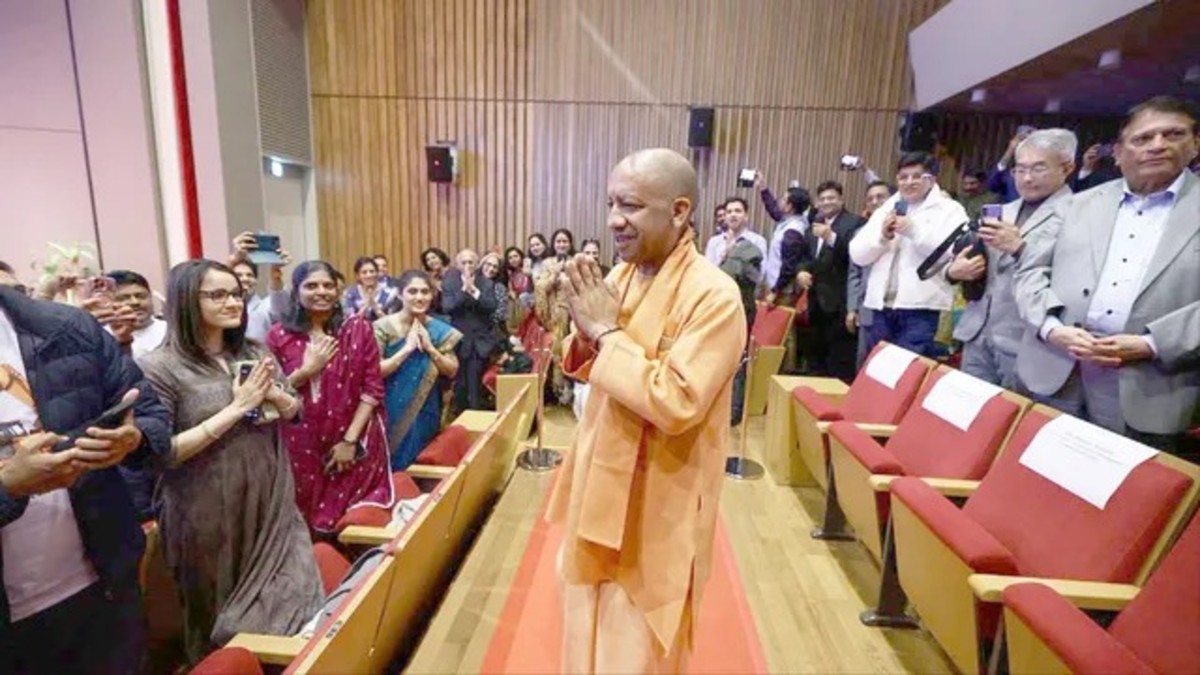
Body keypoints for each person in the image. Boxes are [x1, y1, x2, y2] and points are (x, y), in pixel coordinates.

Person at [547, 148, 745, 672]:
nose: (615, 219)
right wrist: (585, 335)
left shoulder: (715, 296)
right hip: (598, 479)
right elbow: (586, 359)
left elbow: (676, 400)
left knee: (634, 649)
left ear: (679, 211)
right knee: (583, 631)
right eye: (611, 203)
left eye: (631, 206)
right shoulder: (622, 276)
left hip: (661, 496)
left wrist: (604, 333)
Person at [136, 259, 323, 664]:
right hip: (205, 508)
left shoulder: (254, 350)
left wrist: (276, 396)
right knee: (215, 615)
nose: (233, 302)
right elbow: (162, 452)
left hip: (270, 493)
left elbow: (294, 409)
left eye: (236, 293)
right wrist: (237, 408)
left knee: (293, 592)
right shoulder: (159, 367)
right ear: (187, 300)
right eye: (218, 295)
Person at [0, 277, 171, 675]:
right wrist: (9, 488)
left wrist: (132, 439)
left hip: (101, 585)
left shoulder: (66, 327)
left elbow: (151, 415)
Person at [1014, 96, 1200, 460]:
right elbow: (1030, 272)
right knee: (1042, 476)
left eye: (1173, 134)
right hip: (1057, 367)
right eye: (1143, 138)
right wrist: (1051, 327)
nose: (1157, 145)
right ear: (1118, 152)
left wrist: (1152, 344)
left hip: (1150, 383)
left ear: (1195, 144)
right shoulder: (1076, 204)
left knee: (1127, 490)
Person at [267, 261, 394, 534]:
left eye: (328, 285)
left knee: (351, 526)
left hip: (352, 441)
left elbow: (372, 389)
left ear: (338, 291)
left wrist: (349, 442)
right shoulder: (278, 336)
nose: (321, 292)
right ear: (296, 292)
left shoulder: (357, 328)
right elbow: (270, 393)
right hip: (300, 446)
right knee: (305, 524)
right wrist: (306, 371)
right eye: (311, 286)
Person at [949, 129, 1076, 389]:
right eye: (1020, 169)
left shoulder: (1079, 213)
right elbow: (977, 264)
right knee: (968, 407)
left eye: (1038, 168)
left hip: (1028, 339)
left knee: (1015, 411)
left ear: (1067, 168)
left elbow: (1075, 275)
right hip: (977, 333)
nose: (1027, 178)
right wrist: (954, 271)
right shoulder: (1001, 210)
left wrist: (1019, 248)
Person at [849, 151, 968, 358]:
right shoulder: (888, 207)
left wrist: (913, 231)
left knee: (907, 369)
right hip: (880, 307)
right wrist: (882, 237)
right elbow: (857, 254)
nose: (909, 182)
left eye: (916, 176)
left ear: (932, 179)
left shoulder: (950, 209)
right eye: (903, 177)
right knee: (876, 368)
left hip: (920, 309)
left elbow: (953, 251)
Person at [375, 270, 460, 470]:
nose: (419, 297)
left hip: (427, 408)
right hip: (390, 407)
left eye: (425, 292)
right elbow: (375, 371)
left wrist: (430, 348)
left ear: (432, 295)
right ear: (400, 294)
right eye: (412, 291)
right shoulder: (382, 327)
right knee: (393, 464)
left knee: (422, 462)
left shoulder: (439, 329)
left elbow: (452, 370)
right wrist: (406, 349)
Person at [795, 181, 865, 381]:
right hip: (815, 303)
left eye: (831, 198)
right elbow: (805, 258)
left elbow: (856, 258)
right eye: (822, 199)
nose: (826, 202)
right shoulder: (814, 225)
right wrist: (801, 272)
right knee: (816, 359)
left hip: (841, 304)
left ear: (841, 200)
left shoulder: (855, 223)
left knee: (840, 362)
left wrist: (832, 238)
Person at [442, 250, 499, 412]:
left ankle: (476, 416)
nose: (467, 266)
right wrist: (463, 290)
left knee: (475, 384)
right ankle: (461, 415)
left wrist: (473, 290)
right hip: (458, 341)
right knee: (460, 383)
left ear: (477, 264)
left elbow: (491, 306)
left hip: (479, 342)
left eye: (471, 262)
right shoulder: (450, 283)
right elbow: (448, 307)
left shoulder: (486, 283)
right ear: (458, 265)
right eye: (464, 262)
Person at [754, 173, 811, 292]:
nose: (779, 200)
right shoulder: (792, 218)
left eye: (784, 199)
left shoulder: (793, 232)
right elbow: (774, 211)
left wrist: (775, 291)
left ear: (790, 206)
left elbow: (788, 267)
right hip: (776, 284)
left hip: (782, 290)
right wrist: (763, 188)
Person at [105, 270, 167, 357]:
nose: (135, 302)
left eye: (141, 296)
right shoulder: (102, 337)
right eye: (124, 298)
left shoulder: (171, 331)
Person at [341, 256, 397, 321]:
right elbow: (349, 321)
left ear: (377, 273)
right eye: (364, 272)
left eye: (372, 271)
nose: (369, 275)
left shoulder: (390, 293)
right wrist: (366, 305)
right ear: (358, 276)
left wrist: (375, 307)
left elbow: (391, 322)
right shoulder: (349, 293)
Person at [504, 245, 533, 332]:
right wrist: (510, 292)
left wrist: (529, 274)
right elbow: (511, 289)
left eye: (515, 256)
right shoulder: (511, 274)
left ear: (521, 257)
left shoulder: (528, 269)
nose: (513, 259)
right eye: (510, 258)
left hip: (531, 300)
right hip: (519, 305)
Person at [480, 252, 510, 334]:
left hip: (493, 328)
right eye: (488, 264)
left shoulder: (499, 287)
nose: (491, 269)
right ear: (482, 264)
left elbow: (501, 313)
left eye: (495, 267)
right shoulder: (472, 282)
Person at [420, 247, 451, 315]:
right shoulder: (432, 278)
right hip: (436, 312)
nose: (431, 261)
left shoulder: (453, 274)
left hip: (451, 313)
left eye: (434, 257)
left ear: (441, 258)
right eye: (428, 260)